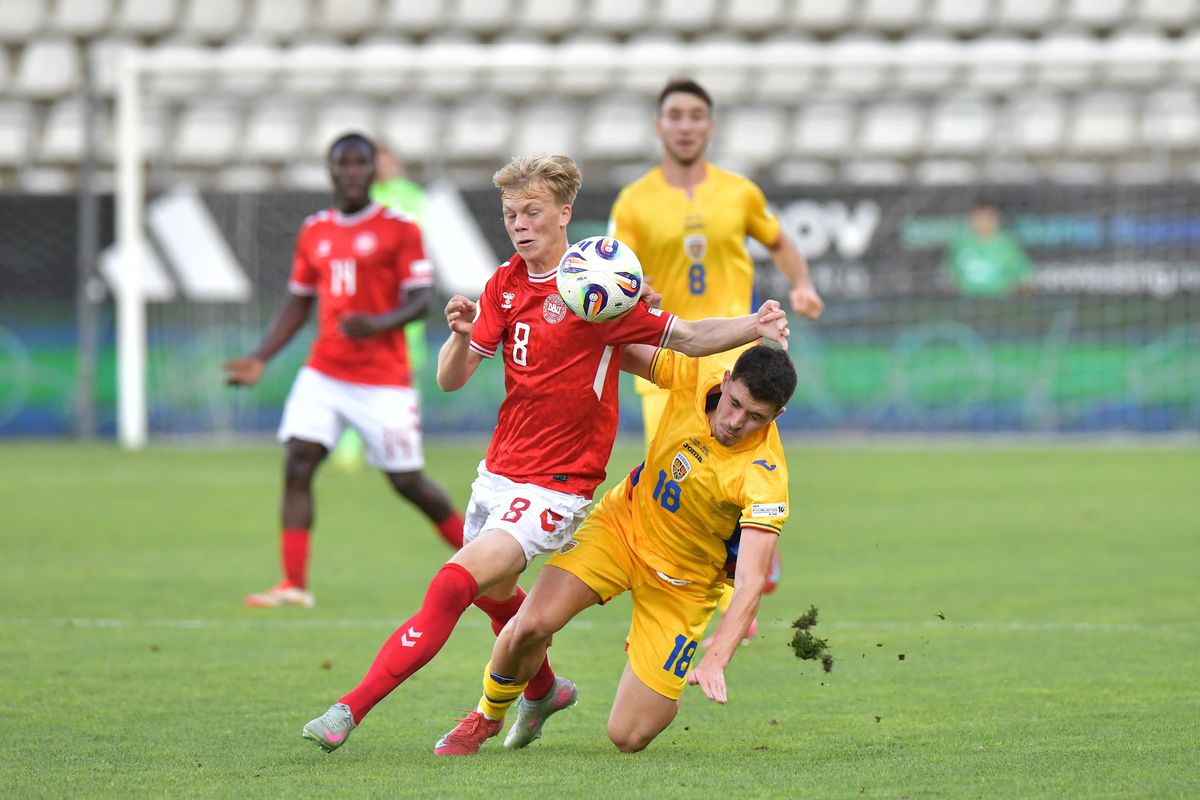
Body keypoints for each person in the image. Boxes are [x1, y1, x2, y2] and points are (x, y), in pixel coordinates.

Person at [299, 154, 791, 755]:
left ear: (564, 214)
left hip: (559, 486)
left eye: (531, 212)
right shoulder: (504, 283)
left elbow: (683, 337)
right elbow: (452, 379)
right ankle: (546, 689)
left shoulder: (600, 290)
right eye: (510, 214)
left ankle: (351, 710)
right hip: (500, 473)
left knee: (453, 587)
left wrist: (753, 324)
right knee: (505, 607)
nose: (519, 224)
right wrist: (460, 334)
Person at [437, 344, 796, 755]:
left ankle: (658, 673)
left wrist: (717, 658)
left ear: (776, 417)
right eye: (735, 404)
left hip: (684, 585)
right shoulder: (700, 369)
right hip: (620, 528)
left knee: (628, 736)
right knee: (531, 624)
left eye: (756, 417)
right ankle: (486, 717)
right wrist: (619, 305)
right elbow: (614, 345)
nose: (736, 422)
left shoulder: (766, 476)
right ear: (728, 380)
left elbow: (751, 580)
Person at [607, 77, 823, 638]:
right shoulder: (634, 201)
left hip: (735, 359)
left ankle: (740, 570)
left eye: (695, 115)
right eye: (675, 115)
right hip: (670, 356)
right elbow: (616, 270)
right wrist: (637, 294)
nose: (685, 125)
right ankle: (720, 577)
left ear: (710, 126)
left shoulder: (740, 193)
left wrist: (801, 284)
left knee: (738, 462)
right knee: (681, 473)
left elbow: (779, 242)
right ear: (660, 126)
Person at [224, 132, 464, 609]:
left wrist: (377, 322)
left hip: (383, 379)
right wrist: (261, 356)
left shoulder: (399, 227)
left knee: (407, 483)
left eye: (360, 163)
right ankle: (294, 584)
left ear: (373, 169)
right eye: (343, 163)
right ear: (331, 171)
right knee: (298, 461)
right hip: (325, 372)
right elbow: (298, 300)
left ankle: (480, 556)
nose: (352, 171)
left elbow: (420, 300)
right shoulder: (315, 229)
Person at [330, 145, 431, 471]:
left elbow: (414, 240)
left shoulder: (410, 195)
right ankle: (352, 444)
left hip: (402, 301)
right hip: (368, 300)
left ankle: (394, 441)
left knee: (403, 373)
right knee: (358, 371)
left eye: (386, 159)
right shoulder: (362, 196)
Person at [943, 198, 1033, 298]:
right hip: (966, 305)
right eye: (980, 217)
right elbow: (950, 277)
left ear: (997, 219)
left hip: (1000, 305)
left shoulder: (1008, 246)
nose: (984, 222)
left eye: (988, 217)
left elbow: (1024, 280)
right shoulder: (960, 244)